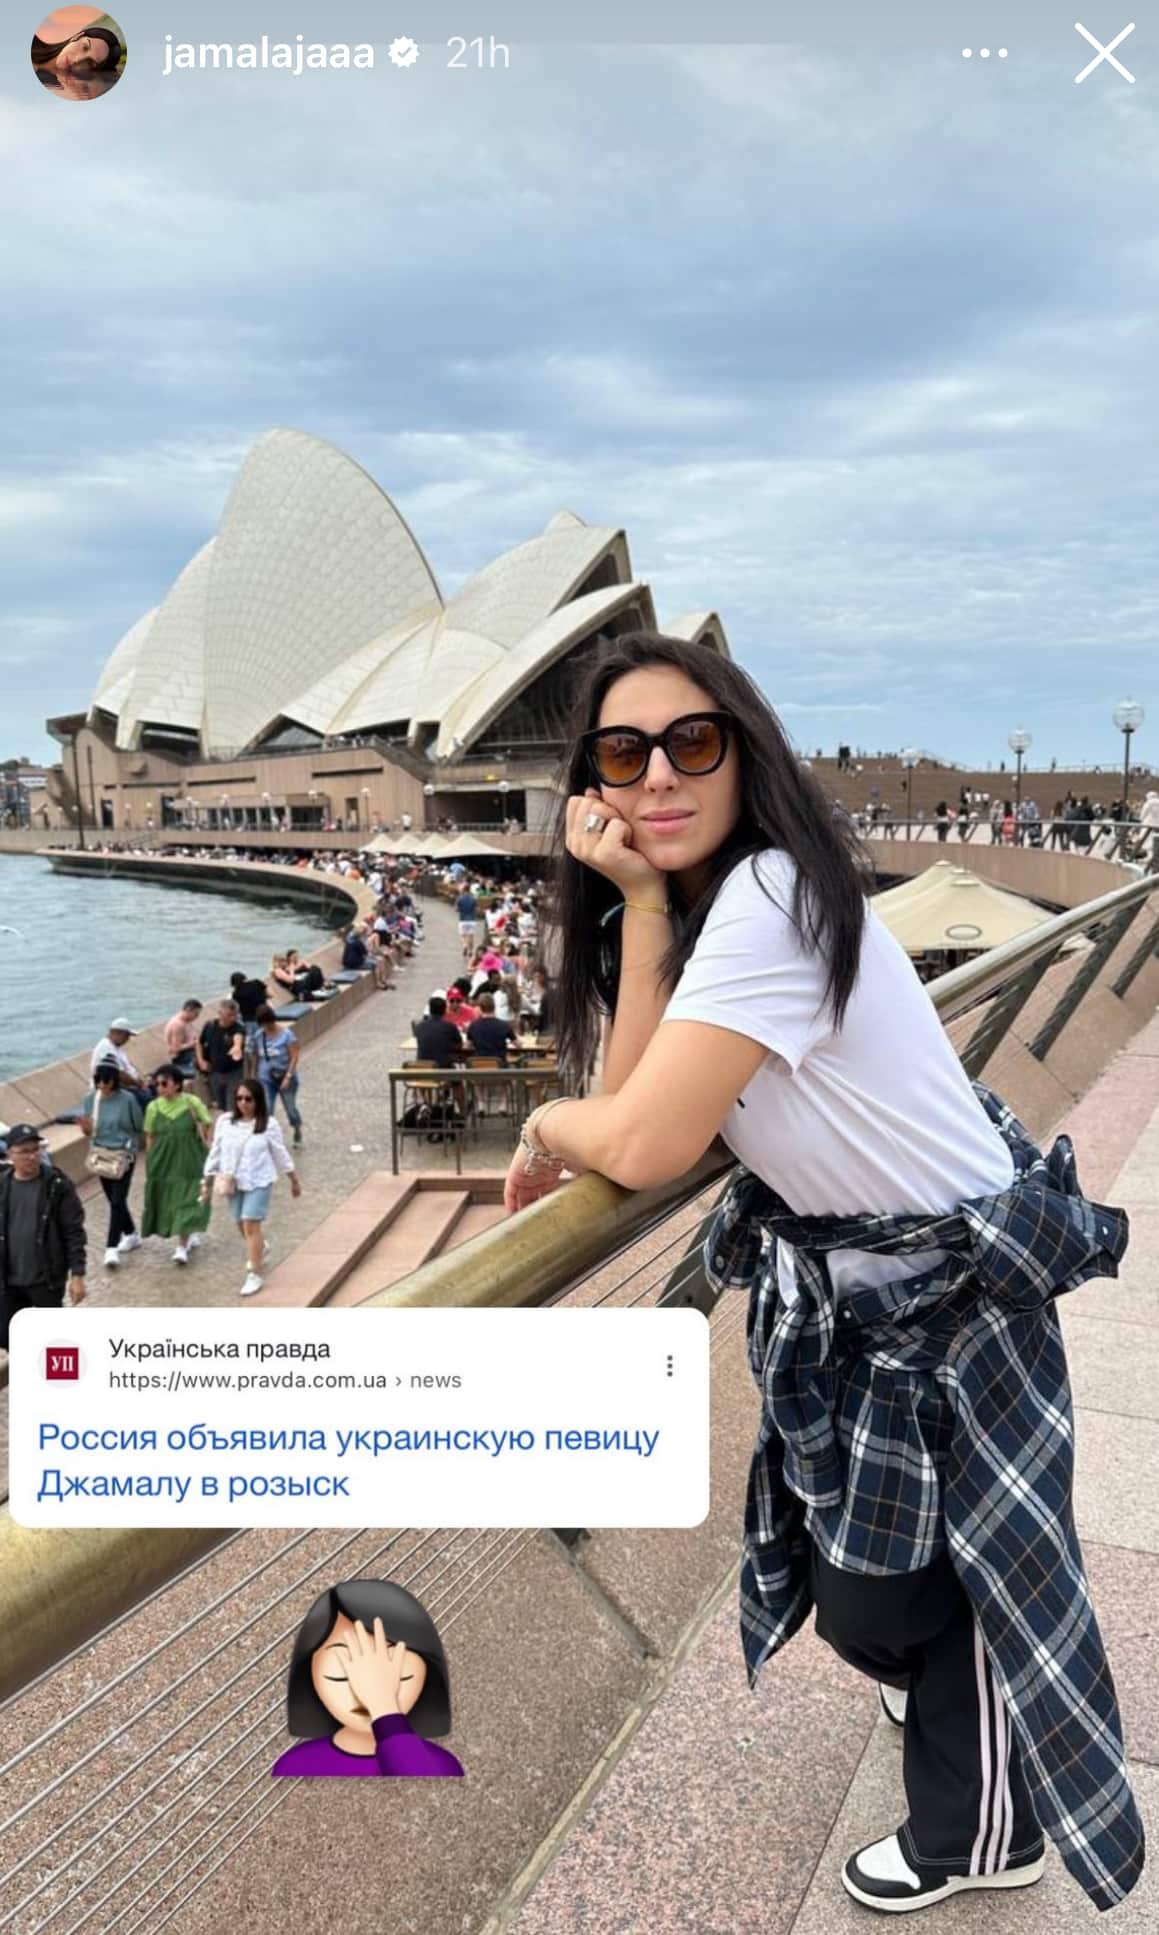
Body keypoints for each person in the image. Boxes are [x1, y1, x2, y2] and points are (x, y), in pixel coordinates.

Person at [500, 630, 1142, 1914]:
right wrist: (629, 902)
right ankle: (961, 1715)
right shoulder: (711, 911)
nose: (659, 780)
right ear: (591, 787)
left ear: (746, 753)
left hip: (949, 1300)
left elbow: (632, 1135)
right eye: (623, 756)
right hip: (880, 1299)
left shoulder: (771, 900)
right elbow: (633, 1100)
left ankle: (985, 1833)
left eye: (694, 743)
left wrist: (539, 1124)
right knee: (876, 1591)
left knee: (916, 1587)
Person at [271, 1579, 464, 1776]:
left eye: (396, 1676)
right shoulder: (295, 1765)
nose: (366, 1695)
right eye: (342, 1677)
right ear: (310, 1677)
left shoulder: (442, 1766)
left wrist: (384, 1706)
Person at [199, 1079, 300, 1297]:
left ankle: (254, 1272)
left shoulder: (268, 1124)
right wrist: (206, 1181)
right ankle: (260, 1248)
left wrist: (293, 1179)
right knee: (241, 1224)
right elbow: (215, 1152)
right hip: (233, 1181)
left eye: (248, 1099)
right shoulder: (225, 1122)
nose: (243, 1103)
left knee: (251, 1223)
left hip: (259, 1180)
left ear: (257, 1100)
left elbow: (279, 1152)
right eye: (239, 1098)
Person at [0, 1125, 86, 1350]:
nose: (32, 1156)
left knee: (52, 1341)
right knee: (12, 1340)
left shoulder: (57, 1185)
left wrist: (77, 1274)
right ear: (10, 1154)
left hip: (45, 1280)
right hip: (9, 1282)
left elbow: (73, 1231)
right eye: (25, 1151)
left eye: (35, 1149)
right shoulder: (2, 1185)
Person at [141, 1066, 213, 1265]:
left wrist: (205, 1138)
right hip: (164, 1161)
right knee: (170, 1199)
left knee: (188, 1198)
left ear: (177, 1084)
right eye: (158, 1084)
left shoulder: (192, 1102)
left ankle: (182, 1245)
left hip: (189, 1158)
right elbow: (149, 1135)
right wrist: (150, 1159)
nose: (160, 1088)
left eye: (165, 1083)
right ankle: (187, 1234)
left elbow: (207, 1122)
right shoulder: (153, 1107)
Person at [80, 1063, 144, 1269]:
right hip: (101, 1154)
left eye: (106, 1082)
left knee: (117, 1199)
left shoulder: (127, 1099)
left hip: (123, 1155)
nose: (103, 1087)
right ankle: (132, 1234)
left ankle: (111, 1247)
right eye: (99, 1082)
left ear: (115, 1081)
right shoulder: (91, 1099)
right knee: (114, 1200)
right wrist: (86, 1128)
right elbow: (91, 1131)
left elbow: (137, 1126)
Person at [252, 1004, 304, 1145]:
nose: (266, 1027)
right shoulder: (258, 1036)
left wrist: (288, 1076)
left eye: (267, 1023)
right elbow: (256, 1056)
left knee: (290, 1108)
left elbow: (294, 1056)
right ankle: (268, 1136)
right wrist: (253, 1075)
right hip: (266, 1078)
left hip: (285, 1077)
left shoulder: (287, 1035)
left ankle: (297, 1127)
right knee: (267, 1108)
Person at [197, 998, 246, 1112]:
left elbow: (238, 1037)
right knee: (221, 1105)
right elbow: (199, 1043)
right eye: (229, 1015)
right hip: (215, 1072)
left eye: (234, 1015)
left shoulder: (238, 1028)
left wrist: (237, 1047)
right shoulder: (210, 1026)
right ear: (220, 1013)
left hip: (233, 1073)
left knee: (232, 1106)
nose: (232, 1018)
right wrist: (201, 1061)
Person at [414, 996, 464, 1069]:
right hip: (443, 1066)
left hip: (423, 1066)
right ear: (444, 1010)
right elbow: (459, 1044)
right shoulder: (450, 1026)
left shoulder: (419, 1026)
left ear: (430, 1010)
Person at [230, 970, 269, 1063]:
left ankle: (253, 1064)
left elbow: (237, 1010)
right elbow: (269, 994)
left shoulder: (236, 994)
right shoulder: (257, 982)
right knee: (264, 1040)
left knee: (251, 1043)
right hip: (264, 1016)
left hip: (249, 1020)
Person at [465, 991, 515, 1064]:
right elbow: (518, 1044)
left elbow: (467, 1046)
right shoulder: (504, 1025)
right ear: (494, 1007)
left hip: (479, 1065)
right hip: (499, 1066)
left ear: (480, 1007)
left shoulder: (473, 1025)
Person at [163, 999, 203, 1085]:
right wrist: (193, 1044)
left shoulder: (187, 1021)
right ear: (188, 1010)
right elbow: (175, 1049)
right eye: (196, 1014)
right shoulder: (178, 1025)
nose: (197, 1016)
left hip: (189, 1051)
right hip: (181, 1057)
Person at [455, 885, 479, 959]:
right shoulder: (473, 898)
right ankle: (470, 951)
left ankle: (464, 945)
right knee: (471, 936)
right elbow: (477, 909)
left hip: (463, 919)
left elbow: (456, 909)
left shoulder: (459, 898)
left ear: (463, 890)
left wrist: (461, 909)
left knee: (463, 935)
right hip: (472, 919)